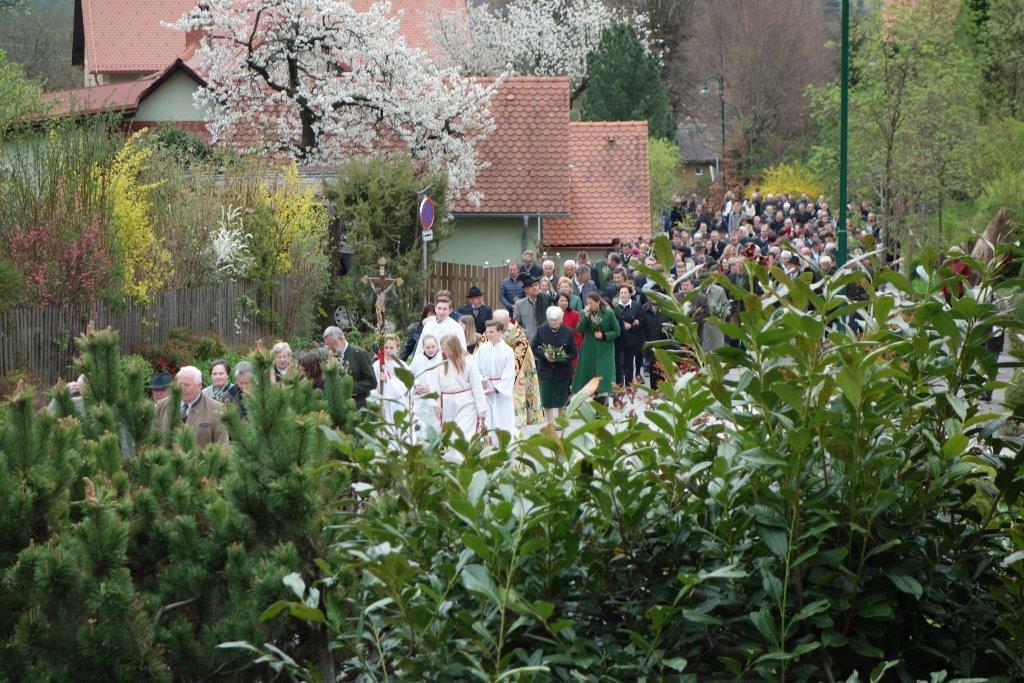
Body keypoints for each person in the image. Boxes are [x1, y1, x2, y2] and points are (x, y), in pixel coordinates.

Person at [428, 334, 489, 437]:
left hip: (466, 402)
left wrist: (481, 408)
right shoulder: (439, 363)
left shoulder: (469, 360)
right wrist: (436, 405)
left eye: (447, 349)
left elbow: (476, 386)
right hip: (447, 404)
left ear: (454, 347)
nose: (445, 352)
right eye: (443, 349)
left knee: (464, 434)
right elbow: (435, 385)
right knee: (450, 436)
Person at [154, 366, 228, 447]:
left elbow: (222, 447)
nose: (182, 388)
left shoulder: (216, 409)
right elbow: (152, 439)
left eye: (187, 385)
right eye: (180, 384)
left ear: (200, 385)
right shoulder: (162, 405)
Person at [493, 309, 544, 428]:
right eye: (496, 323)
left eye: (502, 323)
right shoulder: (491, 331)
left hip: (515, 373)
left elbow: (519, 357)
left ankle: (516, 424)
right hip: (494, 373)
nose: (499, 327)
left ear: (508, 320)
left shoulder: (517, 334)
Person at [531, 306, 578, 425]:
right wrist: (544, 354)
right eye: (551, 320)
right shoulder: (541, 330)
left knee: (561, 398)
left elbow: (574, 352)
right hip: (546, 370)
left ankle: (559, 421)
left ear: (561, 319)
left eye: (556, 320)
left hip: (562, 371)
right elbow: (533, 346)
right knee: (547, 399)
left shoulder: (568, 332)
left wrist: (562, 357)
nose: (553, 322)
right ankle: (550, 423)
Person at [572, 292, 621, 402]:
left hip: (605, 350)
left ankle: (602, 402)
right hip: (588, 349)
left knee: (603, 376)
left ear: (598, 302)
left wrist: (604, 335)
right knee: (587, 375)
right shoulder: (585, 313)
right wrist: (585, 316)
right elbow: (579, 329)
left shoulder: (609, 313)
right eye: (587, 303)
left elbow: (617, 331)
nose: (589, 305)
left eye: (591, 303)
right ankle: (586, 397)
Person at [475, 320, 517, 440]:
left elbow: (509, 373)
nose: (488, 334)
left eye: (491, 332)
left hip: (501, 392)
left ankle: (504, 442)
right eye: (487, 332)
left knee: (503, 418)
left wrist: (496, 389)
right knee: (488, 419)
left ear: (500, 332)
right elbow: (476, 369)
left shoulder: (507, 350)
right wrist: (484, 383)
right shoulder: (481, 349)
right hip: (486, 389)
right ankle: (488, 442)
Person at [322, 326, 376, 405]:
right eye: (327, 345)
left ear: (341, 338)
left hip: (357, 405)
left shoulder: (360, 354)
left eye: (332, 344)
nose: (330, 348)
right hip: (336, 406)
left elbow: (372, 382)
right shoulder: (329, 357)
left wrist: (348, 387)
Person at [371, 334, 412, 428]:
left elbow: (404, 387)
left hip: (398, 406)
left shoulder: (402, 366)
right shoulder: (376, 365)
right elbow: (372, 386)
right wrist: (377, 402)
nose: (388, 350)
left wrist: (388, 380)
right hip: (381, 406)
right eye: (386, 347)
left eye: (391, 348)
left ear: (398, 349)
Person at [409, 334, 444, 438]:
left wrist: (433, 387)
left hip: (437, 397)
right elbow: (410, 374)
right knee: (420, 423)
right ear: (423, 347)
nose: (431, 350)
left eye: (433, 346)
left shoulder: (442, 358)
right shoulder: (418, 359)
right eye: (427, 347)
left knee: (436, 424)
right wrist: (416, 386)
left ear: (437, 345)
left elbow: (447, 377)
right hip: (421, 398)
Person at [613, 284, 645, 387]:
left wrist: (631, 325)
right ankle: (619, 386)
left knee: (629, 364)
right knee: (619, 363)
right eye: (621, 292)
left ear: (630, 294)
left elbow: (641, 320)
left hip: (631, 339)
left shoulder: (636, 306)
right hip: (618, 339)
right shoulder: (615, 305)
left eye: (625, 292)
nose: (623, 295)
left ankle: (628, 386)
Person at [513, 273, 554, 340]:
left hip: (546, 340)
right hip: (529, 341)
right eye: (531, 286)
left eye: (536, 285)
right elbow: (516, 324)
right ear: (525, 290)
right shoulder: (520, 304)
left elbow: (554, 318)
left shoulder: (547, 300)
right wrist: (524, 333)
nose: (534, 288)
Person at [555, 292, 582, 359]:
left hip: (571, 348)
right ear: (557, 302)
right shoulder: (552, 314)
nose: (564, 303)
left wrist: (574, 346)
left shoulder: (575, 314)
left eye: (566, 301)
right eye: (562, 301)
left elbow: (578, 333)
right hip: (555, 349)